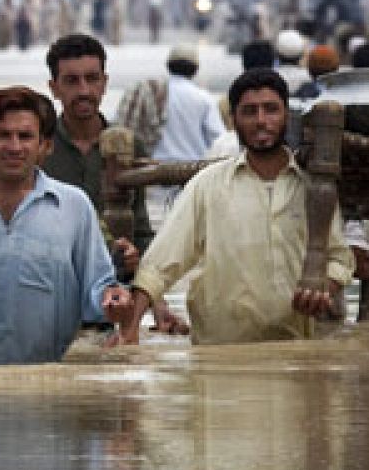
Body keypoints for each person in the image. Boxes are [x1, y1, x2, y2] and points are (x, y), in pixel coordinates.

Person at [121, 68, 354, 345]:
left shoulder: (314, 190)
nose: (261, 121)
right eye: (249, 112)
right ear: (234, 121)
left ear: (286, 117)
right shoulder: (207, 186)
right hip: (222, 356)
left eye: (271, 110)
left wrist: (322, 289)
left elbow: (340, 259)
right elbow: (160, 264)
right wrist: (129, 331)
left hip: (297, 352)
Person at [0, 87, 130, 370]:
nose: (14, 147)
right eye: (2, 135)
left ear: (45, 145)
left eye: (25, 136)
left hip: (47, 389)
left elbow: (98, 290)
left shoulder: (73, 207)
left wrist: (114, 299)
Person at [42, 35, 186, 334]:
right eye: (71, 81)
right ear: (54, 88)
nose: (84, 90)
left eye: (92, 79)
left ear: (105, 83)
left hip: (113, 302)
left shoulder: (129, 146)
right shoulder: (36, 147)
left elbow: (142, 231)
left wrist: (158, 304)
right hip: (50, 300)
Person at [152, 44, 225, 163]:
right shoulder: (204, 98)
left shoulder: (154, 95)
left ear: (168, 66)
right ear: (195, 69)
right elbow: (217, 138)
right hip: (193, 171)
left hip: (156, 169)